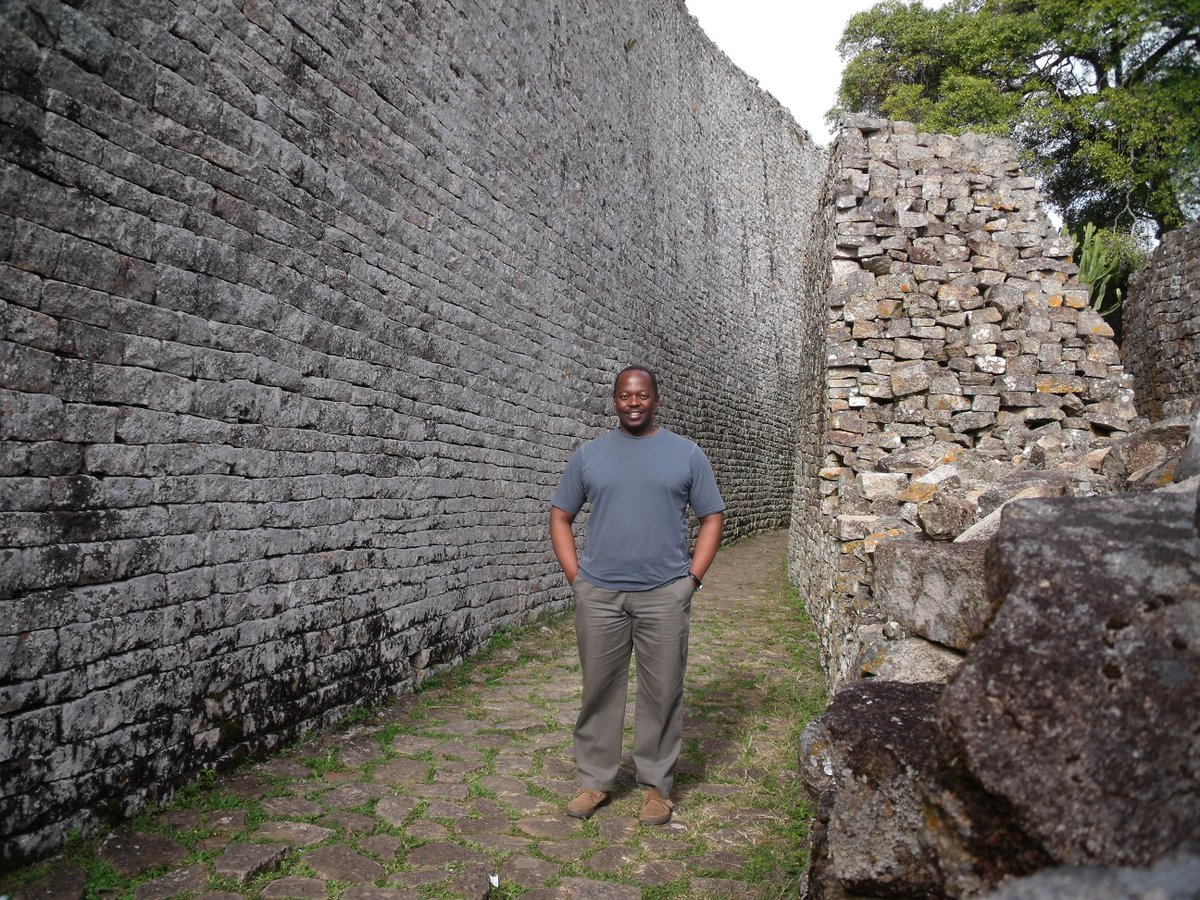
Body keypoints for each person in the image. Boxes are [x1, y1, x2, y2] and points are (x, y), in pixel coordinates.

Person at [549, 366, 725, 825]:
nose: (633, 403)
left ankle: (655, 788)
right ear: (614, 401)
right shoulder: (589, 457)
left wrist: (691, 580)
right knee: (599, 690)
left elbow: (712, 517)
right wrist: (577, 579)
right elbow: (560, 516)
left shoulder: (686, 455)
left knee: (663, 692)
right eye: (625, 396)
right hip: (600, 596)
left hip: (664, 595)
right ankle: (594, 781)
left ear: (656, 400)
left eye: (642, 395)